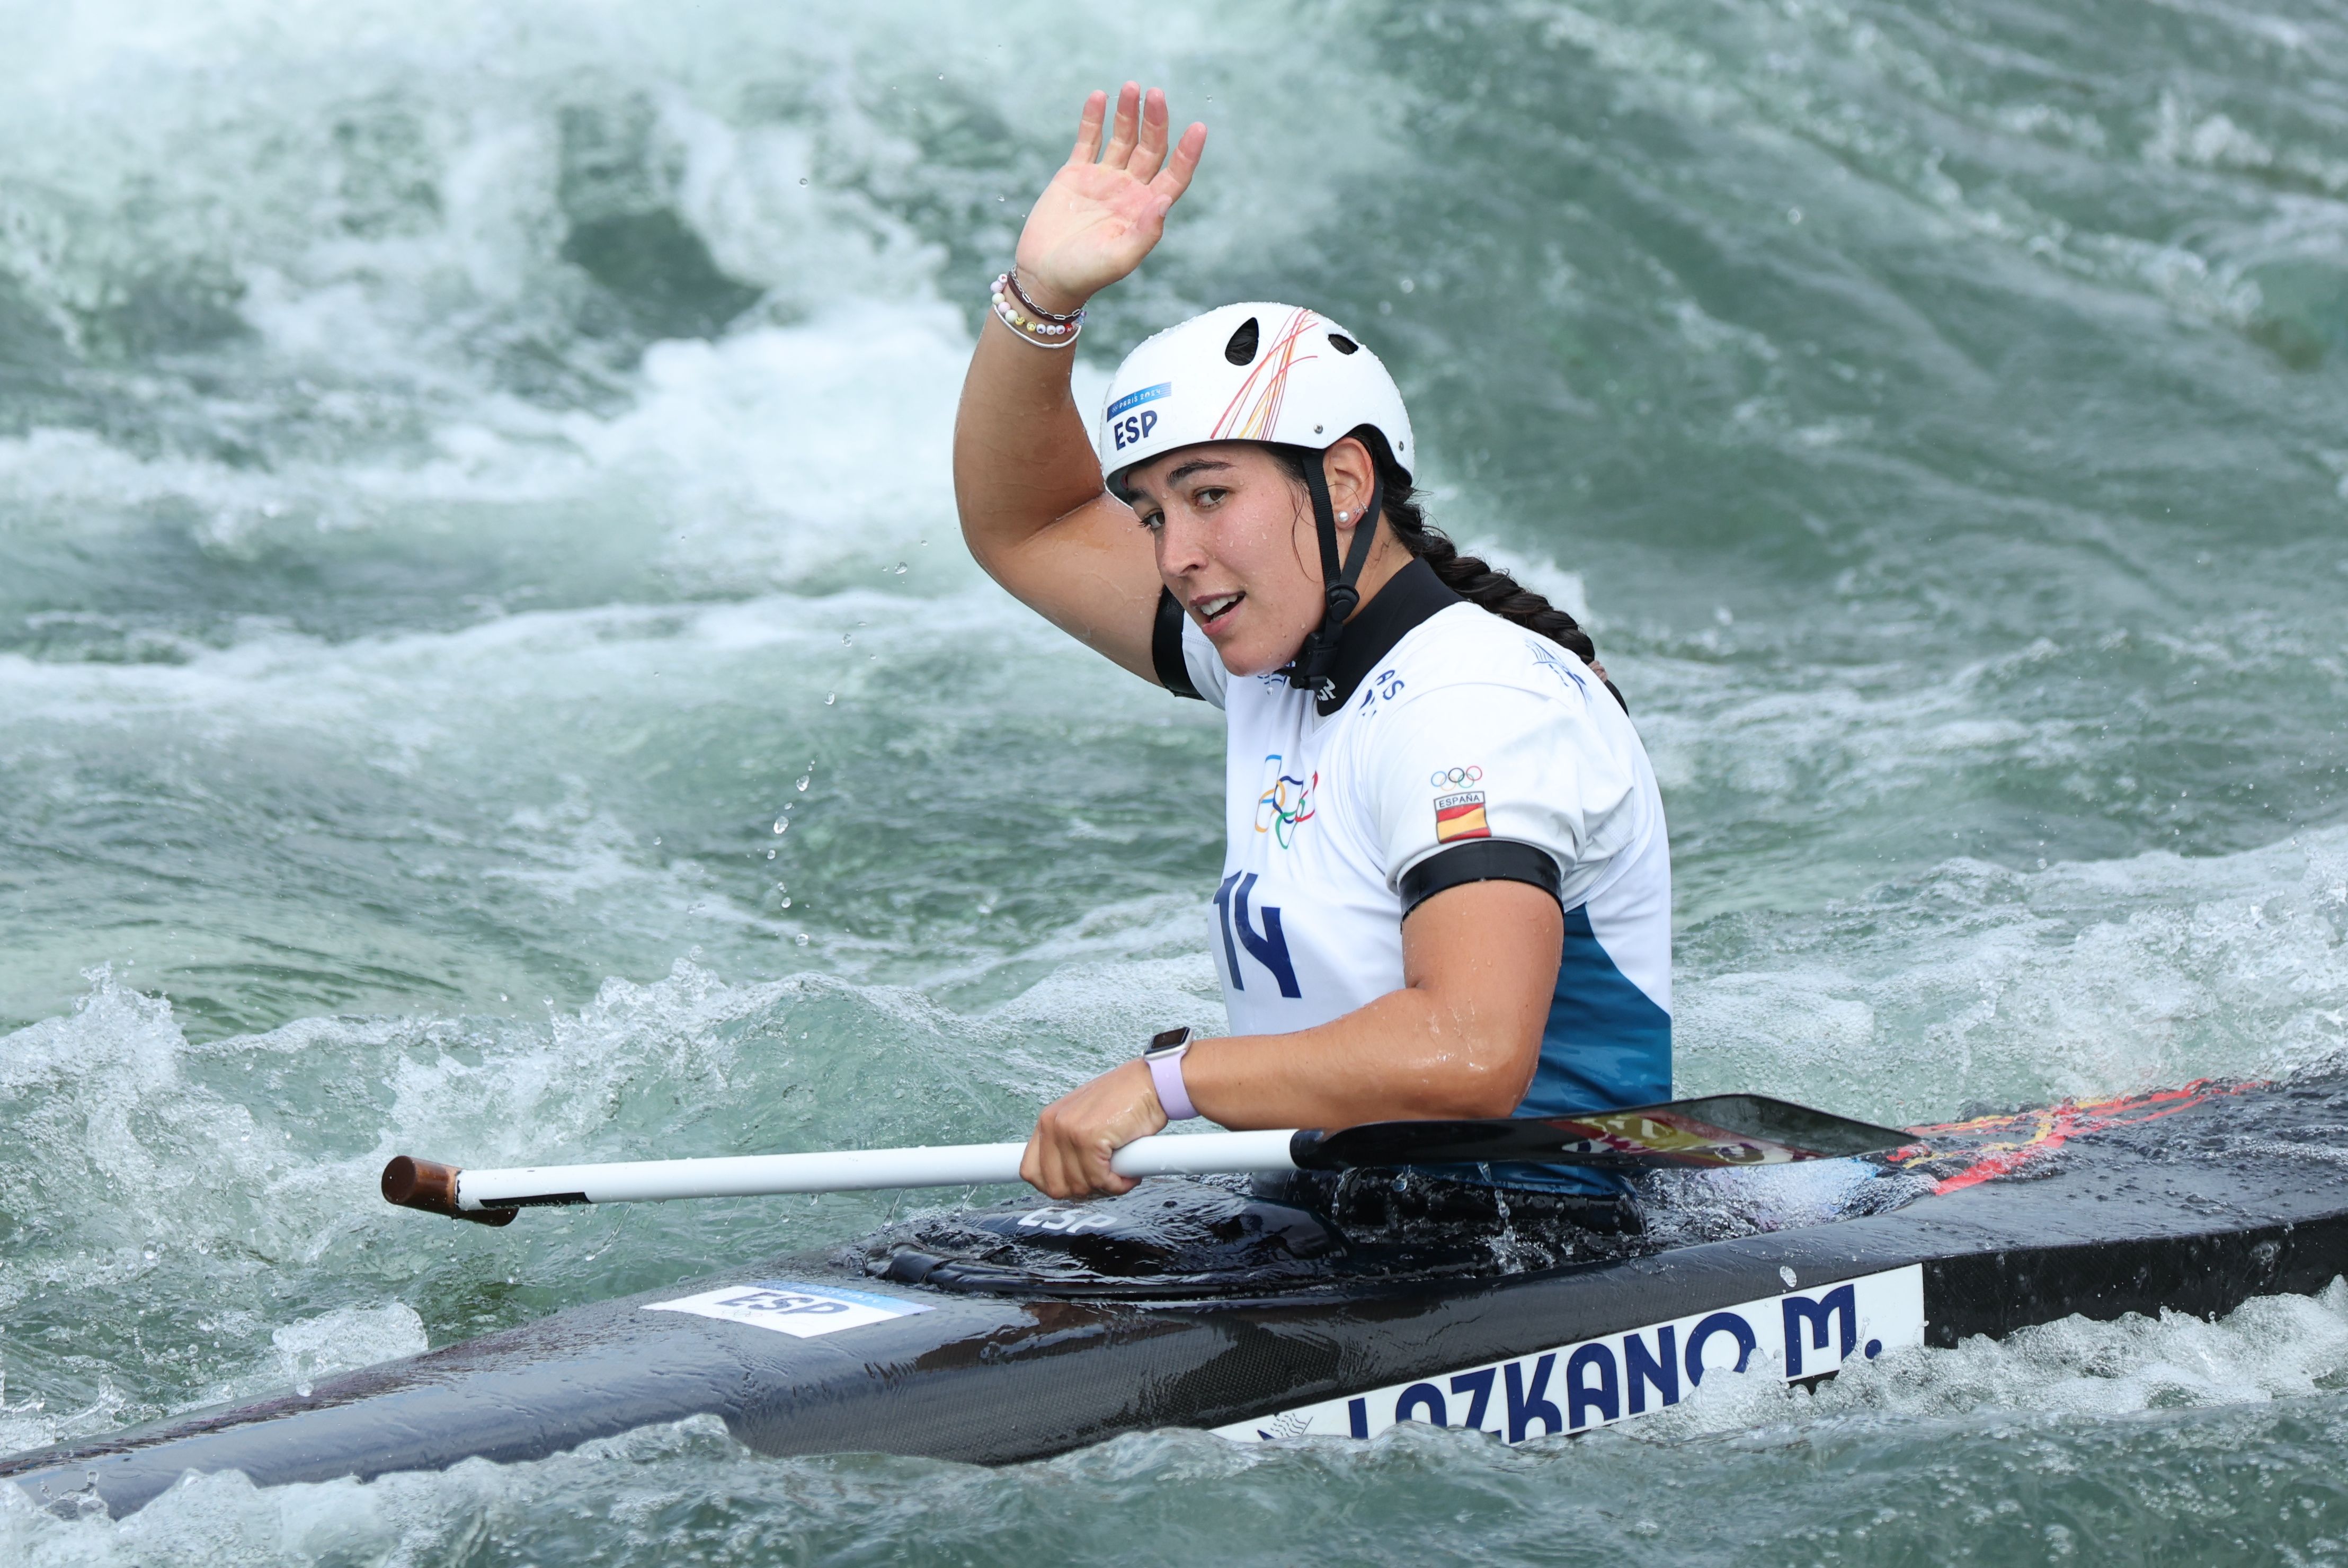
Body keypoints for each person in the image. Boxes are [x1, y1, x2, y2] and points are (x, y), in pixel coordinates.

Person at [955, 84, 1671, 1216]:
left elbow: (1467, 1049)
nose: (1176, 554)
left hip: (1525, 1238)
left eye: (1207, 495)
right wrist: (1038, 302)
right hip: (1323, 1218)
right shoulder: (1279, 658)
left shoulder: (1474, 699)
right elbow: (1025, 524)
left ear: (1341, 483)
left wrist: (1166, 1084)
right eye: (1149, 515)